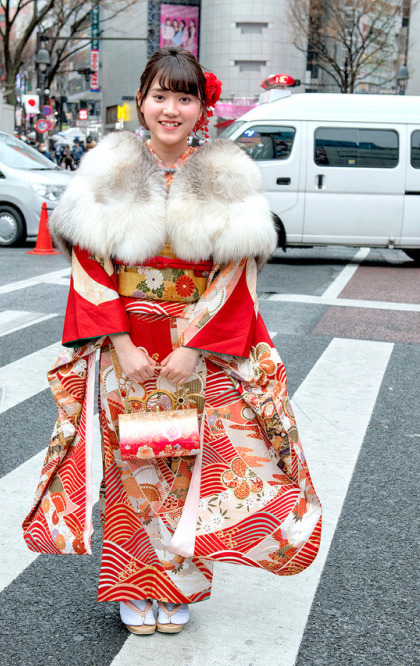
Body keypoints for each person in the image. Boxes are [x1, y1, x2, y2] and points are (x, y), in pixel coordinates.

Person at [23, 46, 321, 636]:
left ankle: (178, 584)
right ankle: (133, 590)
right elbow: (91, 266)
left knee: (187, 470)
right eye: (160, 95)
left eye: (184, 97)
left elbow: (236, 275)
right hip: (124, 347)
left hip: (193, 350)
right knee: (131, 470)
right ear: (141, 101)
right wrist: (121, 345)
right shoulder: (106, 172)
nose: (171, 109)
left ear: (201, 108)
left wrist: (194, 345)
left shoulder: (227, 179)